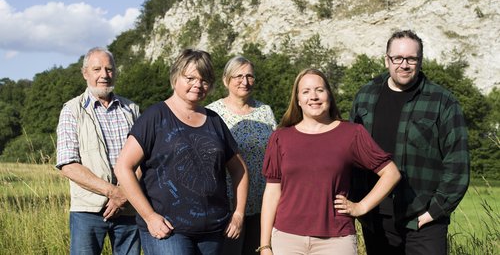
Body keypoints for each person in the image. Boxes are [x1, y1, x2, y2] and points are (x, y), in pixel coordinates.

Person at [114, 49, 249, 255]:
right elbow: (123, 167)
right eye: (190, 78)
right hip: (168, 231)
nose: (198, 84)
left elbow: (240, 169)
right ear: (175, 77)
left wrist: (238, 214)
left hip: (213, 231)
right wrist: (149, 216)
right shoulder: (155, 116)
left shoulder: (214, 121)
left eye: (204, 80)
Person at [350, 30, 470, 255]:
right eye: (397, 58)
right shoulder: (365, 96)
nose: (404, 65)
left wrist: (434, 212)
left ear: (420, 61)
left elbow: (457, 165)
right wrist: (359, 204)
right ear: (387, 59)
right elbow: (351, 154)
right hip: (376, 219)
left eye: (411, 59)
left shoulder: (442, 102)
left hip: (423, 220)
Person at [259, 68, 401, 255]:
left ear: (329, 95)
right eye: (306, 91)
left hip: (336, 241)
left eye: (319, 90)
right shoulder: (280, 137)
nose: (314, 96)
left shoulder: (352, 133)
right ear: (298, 100)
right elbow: (272, 192)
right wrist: (265, 245)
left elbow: (391, 173)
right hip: (286, 239)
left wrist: (361, 206)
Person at [56, 47, 141, 255]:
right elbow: (68, 164)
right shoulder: (72, 110)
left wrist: (124, 196)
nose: (104, 75)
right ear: (85, 73)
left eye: (109, 69)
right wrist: (115, 193)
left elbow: (144, 159)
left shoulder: (132, 109)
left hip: (129, 208)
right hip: (88, 210)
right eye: (97, 69)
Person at [207, 56, 277, 255]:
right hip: (227, 206)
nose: (244, 82)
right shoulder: (212, 113)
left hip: (262, 204)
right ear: (225, 80)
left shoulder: (265, 111)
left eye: (249, 76)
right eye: (238, 76)